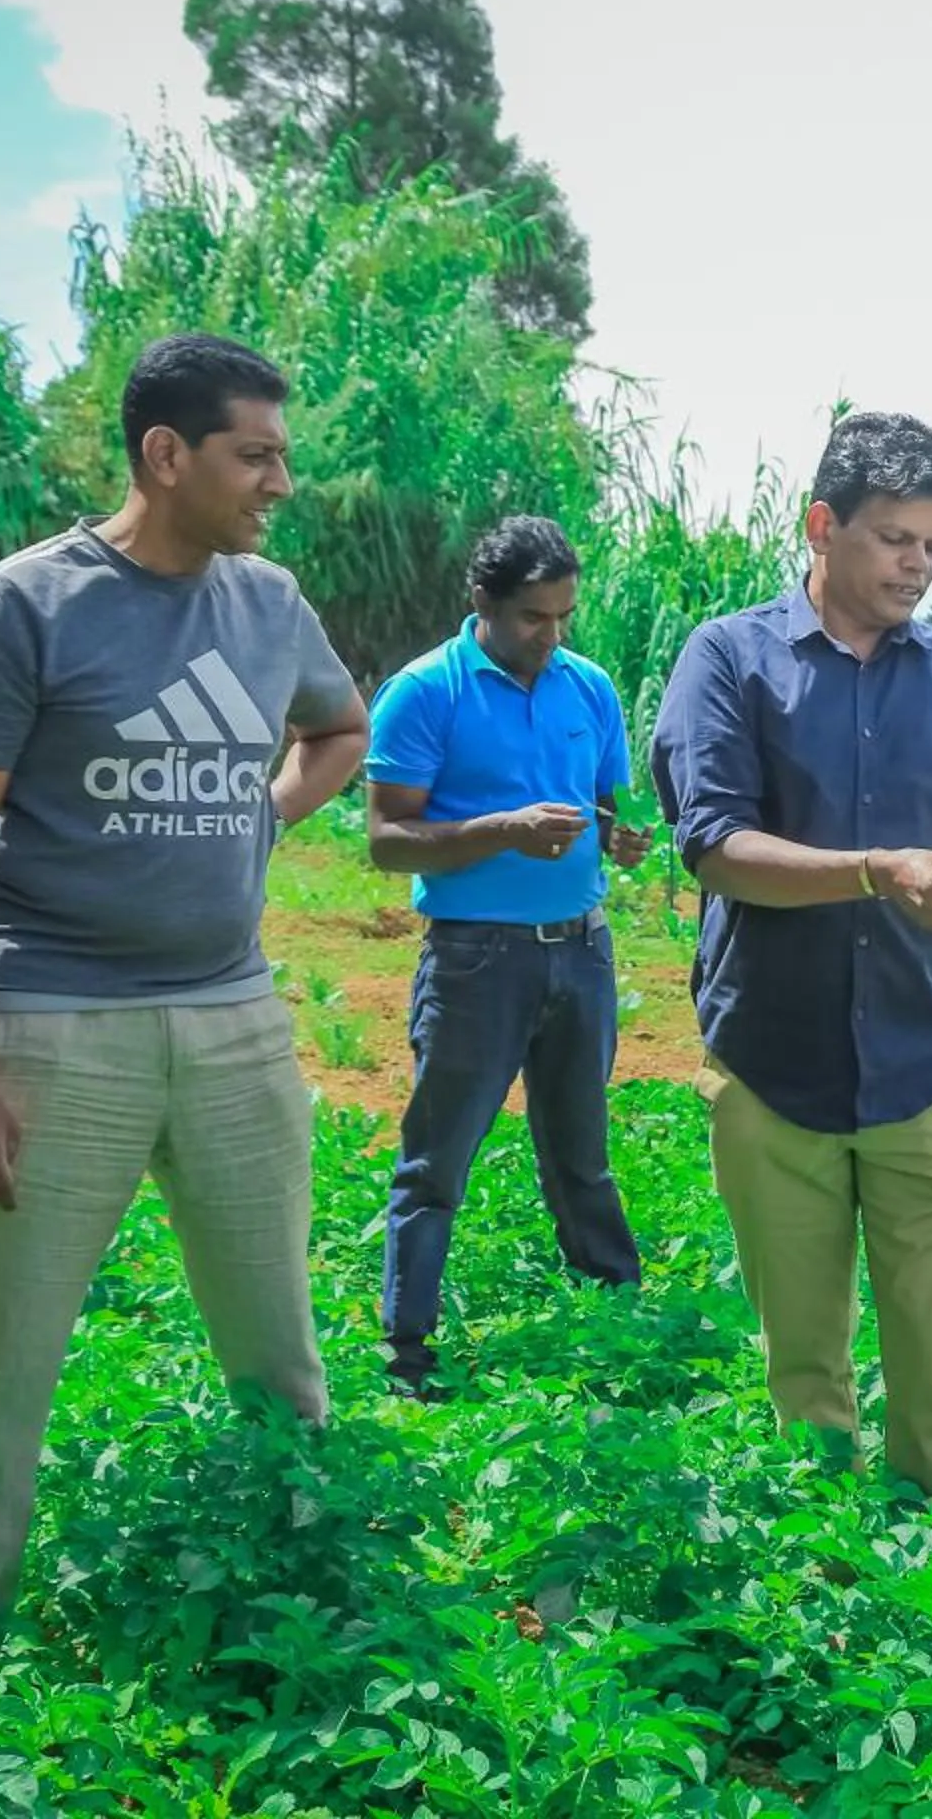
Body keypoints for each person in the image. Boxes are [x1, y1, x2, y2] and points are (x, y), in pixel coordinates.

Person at [0, 332, 371, 1664]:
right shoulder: (24, 606)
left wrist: (260, 818)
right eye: (255, 455)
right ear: (167, 456)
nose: (280, 480)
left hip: (236, 1022)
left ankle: (302, 1619)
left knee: (278, 1351)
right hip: (55, 1024)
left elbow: (338, 729)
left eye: (284, 453)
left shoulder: (268, 604)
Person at [648, 409, 932, 1546]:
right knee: (804, 1361)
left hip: (927, 1066)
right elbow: (715, 844)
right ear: (823, 526)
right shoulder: (728, 660)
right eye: (894, 538)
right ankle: (820, 1589)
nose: (916, 564)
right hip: (777, 1068)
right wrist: (876, 871)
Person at [363, 514, 651, 1394]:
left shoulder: (587, 687)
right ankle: (407, 1351)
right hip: (474, 961)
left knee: (581, 1153)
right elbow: (387, 839)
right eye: (534, 617)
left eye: (563, 616)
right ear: (482, 604)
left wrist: (621, 840)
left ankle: (618, 1319)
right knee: (436, 1161)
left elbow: (603, 807)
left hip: (581, 952)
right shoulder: (425, 692)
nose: (551, 635)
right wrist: (502, 831)